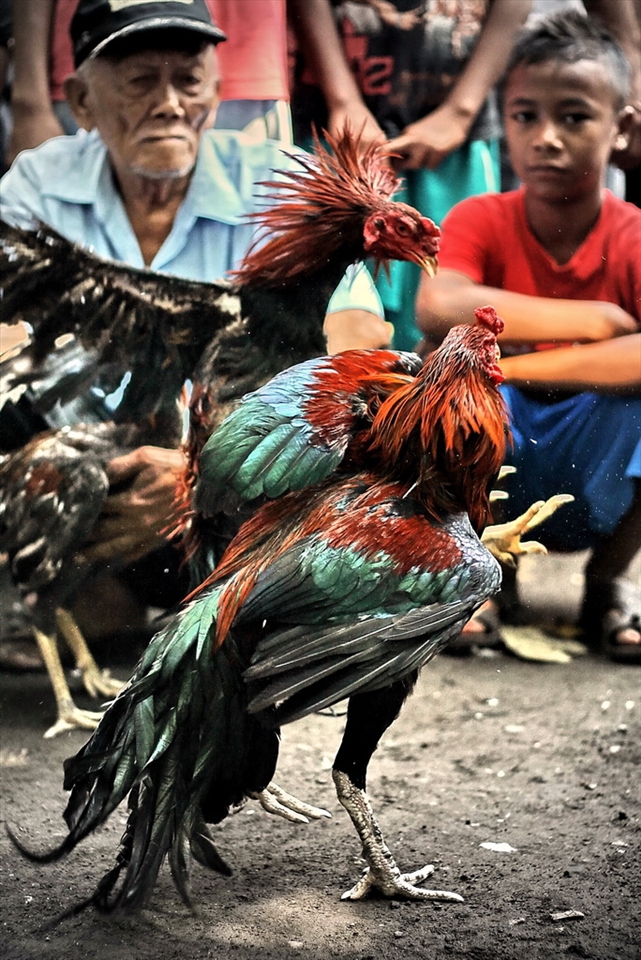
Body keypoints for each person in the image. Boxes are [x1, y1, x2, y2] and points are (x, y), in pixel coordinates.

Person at [0, 0, 391, 639]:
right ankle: (77, 588)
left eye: (187, 79)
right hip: (82, 468)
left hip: (234, 473)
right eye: (139, 81)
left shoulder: (280, 181)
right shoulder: (38, 186)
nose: (169, 103)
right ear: (81, 100)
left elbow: (357, 338)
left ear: (216, 90)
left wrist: (199, 469)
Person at [416, 10, 641, 661]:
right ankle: (481, 574)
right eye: (523, 116)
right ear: (504, 119)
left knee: (459, 367)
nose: (544, 137)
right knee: (436, 382)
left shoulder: (630, 234)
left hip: (595, 467)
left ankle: (607, 582)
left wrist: (509, 366)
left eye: (572, 117)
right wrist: (596, 324)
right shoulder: (479, 216)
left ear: (620, 126)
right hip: (502, 452)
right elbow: (440, 302)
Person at [289, 0, 532, 351]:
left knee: (447, 331)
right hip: (337, 129)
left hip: (452, 133)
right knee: (335, 325)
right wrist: (343, 101)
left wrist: (460, 111)